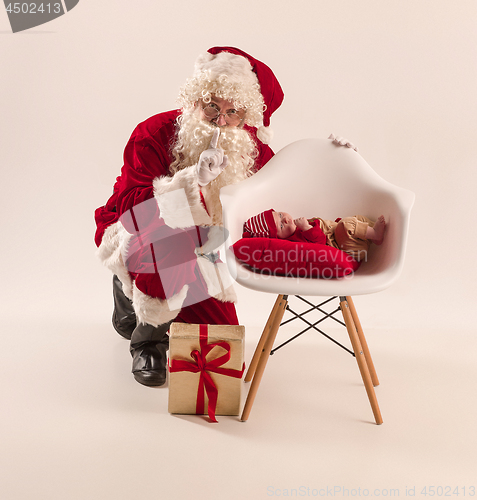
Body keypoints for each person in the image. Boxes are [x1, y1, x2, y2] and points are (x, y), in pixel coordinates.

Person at [94, 47, 284, 387]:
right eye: (211, 105)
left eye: (232, 112)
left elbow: (284, 191)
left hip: (205, 251)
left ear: (245, 116)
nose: (219, 120)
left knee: (221, 361)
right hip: (139, 233)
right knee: (176, 244)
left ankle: (135, 296)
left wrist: (331, 158)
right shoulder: (153, 131)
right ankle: (149, 340)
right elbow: (132, 209)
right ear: (195, 99)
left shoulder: (252, 147)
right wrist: (191, 182)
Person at [243, 209, 386, 261]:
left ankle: (373, 238)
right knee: (346, 224)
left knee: (356, 218)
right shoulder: (294, 241)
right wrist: (307, 228)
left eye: (280, 215)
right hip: (348, 249)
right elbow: (319, 244)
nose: (285, 219)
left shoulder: (295, 229)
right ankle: (375, 234)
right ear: (278, 238)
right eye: (281, 226)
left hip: (354, 241)